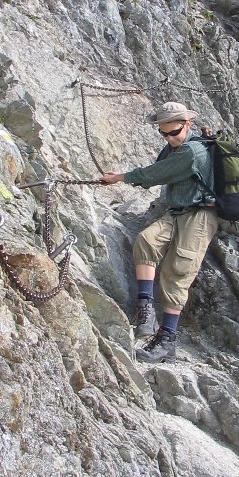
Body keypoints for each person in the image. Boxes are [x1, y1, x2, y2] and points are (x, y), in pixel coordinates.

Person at [100, 101, 218, 364]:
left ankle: (167, 340)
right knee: (146, 241)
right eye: (163, 133)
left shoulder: (193, 151)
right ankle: (145, 310)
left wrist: (119, 177)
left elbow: (156, 173)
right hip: (177, 211)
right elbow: (158, 173)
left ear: (187, 125)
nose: (168, 138)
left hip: (199, 216)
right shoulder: (173, 147)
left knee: (177, 272)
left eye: (173, 132)